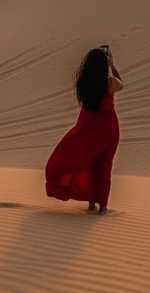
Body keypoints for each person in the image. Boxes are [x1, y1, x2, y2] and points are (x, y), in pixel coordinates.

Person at [45, 46, 123, 215]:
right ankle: (103, 207)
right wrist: (112, 65)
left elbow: (85, 80)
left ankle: (91, 203)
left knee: (89, 163)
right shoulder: (110, 83)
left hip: (86, 131)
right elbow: (120, 83)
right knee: (103, 167)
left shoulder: (83, 83)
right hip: (107, 131)